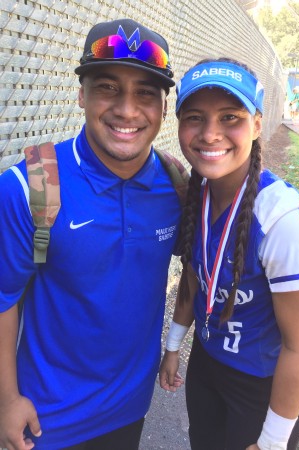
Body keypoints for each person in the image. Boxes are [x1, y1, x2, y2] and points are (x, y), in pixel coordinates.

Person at [0, 18, 185, 450]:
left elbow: (197, 268)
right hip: (46, 419)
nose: (127, 109)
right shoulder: (32, 184)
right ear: (82, 94)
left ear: (162, 107)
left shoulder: (177, 186)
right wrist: (7, 398)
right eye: (107, 87)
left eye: (146, 93)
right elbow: (4, 297)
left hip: (130, 409)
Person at [159, 58, 299, 450]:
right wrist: (173, 346)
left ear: (256, 124)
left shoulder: (282, 218)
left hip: (261, 386)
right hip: (207, 365)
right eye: (195, 117)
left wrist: (271, 441)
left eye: (230, 117)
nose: (210, 134)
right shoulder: (196, 193)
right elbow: (196, 275)